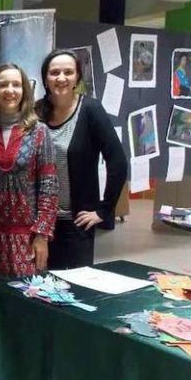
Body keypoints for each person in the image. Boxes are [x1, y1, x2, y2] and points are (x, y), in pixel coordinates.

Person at [35, 50, 127, 270]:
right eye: (54, 72)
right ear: (45, 78)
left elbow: (118, 162)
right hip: (40, 221)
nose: (61, 78)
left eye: (68, 72)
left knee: (76, 289)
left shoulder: (90, 110)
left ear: (77, 77)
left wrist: (104, 210)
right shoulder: (36, 112)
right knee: (40, 288)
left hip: (77, 222)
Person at [0, 63, 58, 281]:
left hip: (27, 236)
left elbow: (49, 188)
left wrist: (42, 234)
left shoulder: (39, 132)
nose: (10, 90)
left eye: (16, 85)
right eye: (3, 85)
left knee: (27, 300)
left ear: (25, 91)